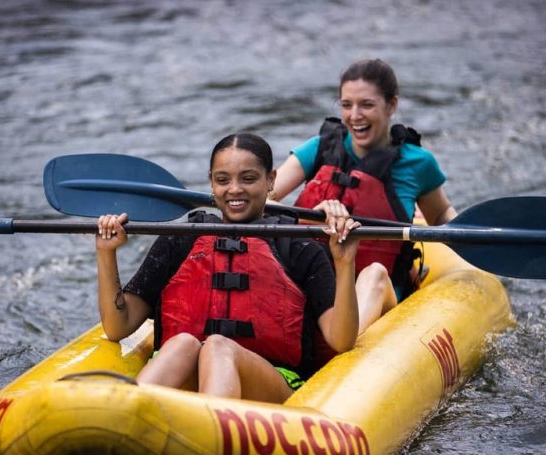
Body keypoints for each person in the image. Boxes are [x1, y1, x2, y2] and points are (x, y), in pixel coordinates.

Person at [95, 133, 360, 404]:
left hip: (271, 384)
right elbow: (118, 328)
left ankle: (209, 429)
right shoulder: (180, 240)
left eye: (248, 178)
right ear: (211, 182)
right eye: (223, 180)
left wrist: (344, 262)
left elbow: (341, 340)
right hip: (187, 373)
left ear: (270, 180)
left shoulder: (298, 247)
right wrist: (107, 252)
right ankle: (126, 409)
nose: (234, 189)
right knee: (183, 343)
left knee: (218, 347)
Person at [270, 58, 457, 334]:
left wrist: (473, 238)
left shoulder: (418, 163)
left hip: (376, 292)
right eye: (346, 105)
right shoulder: (320, 148)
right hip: (314, 284)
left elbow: (440, 216)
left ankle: (346, 349)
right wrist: (313, 213)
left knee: (375, 274)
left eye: (366, 105)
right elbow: (262, 200)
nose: (354, 115)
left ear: (391, 104)